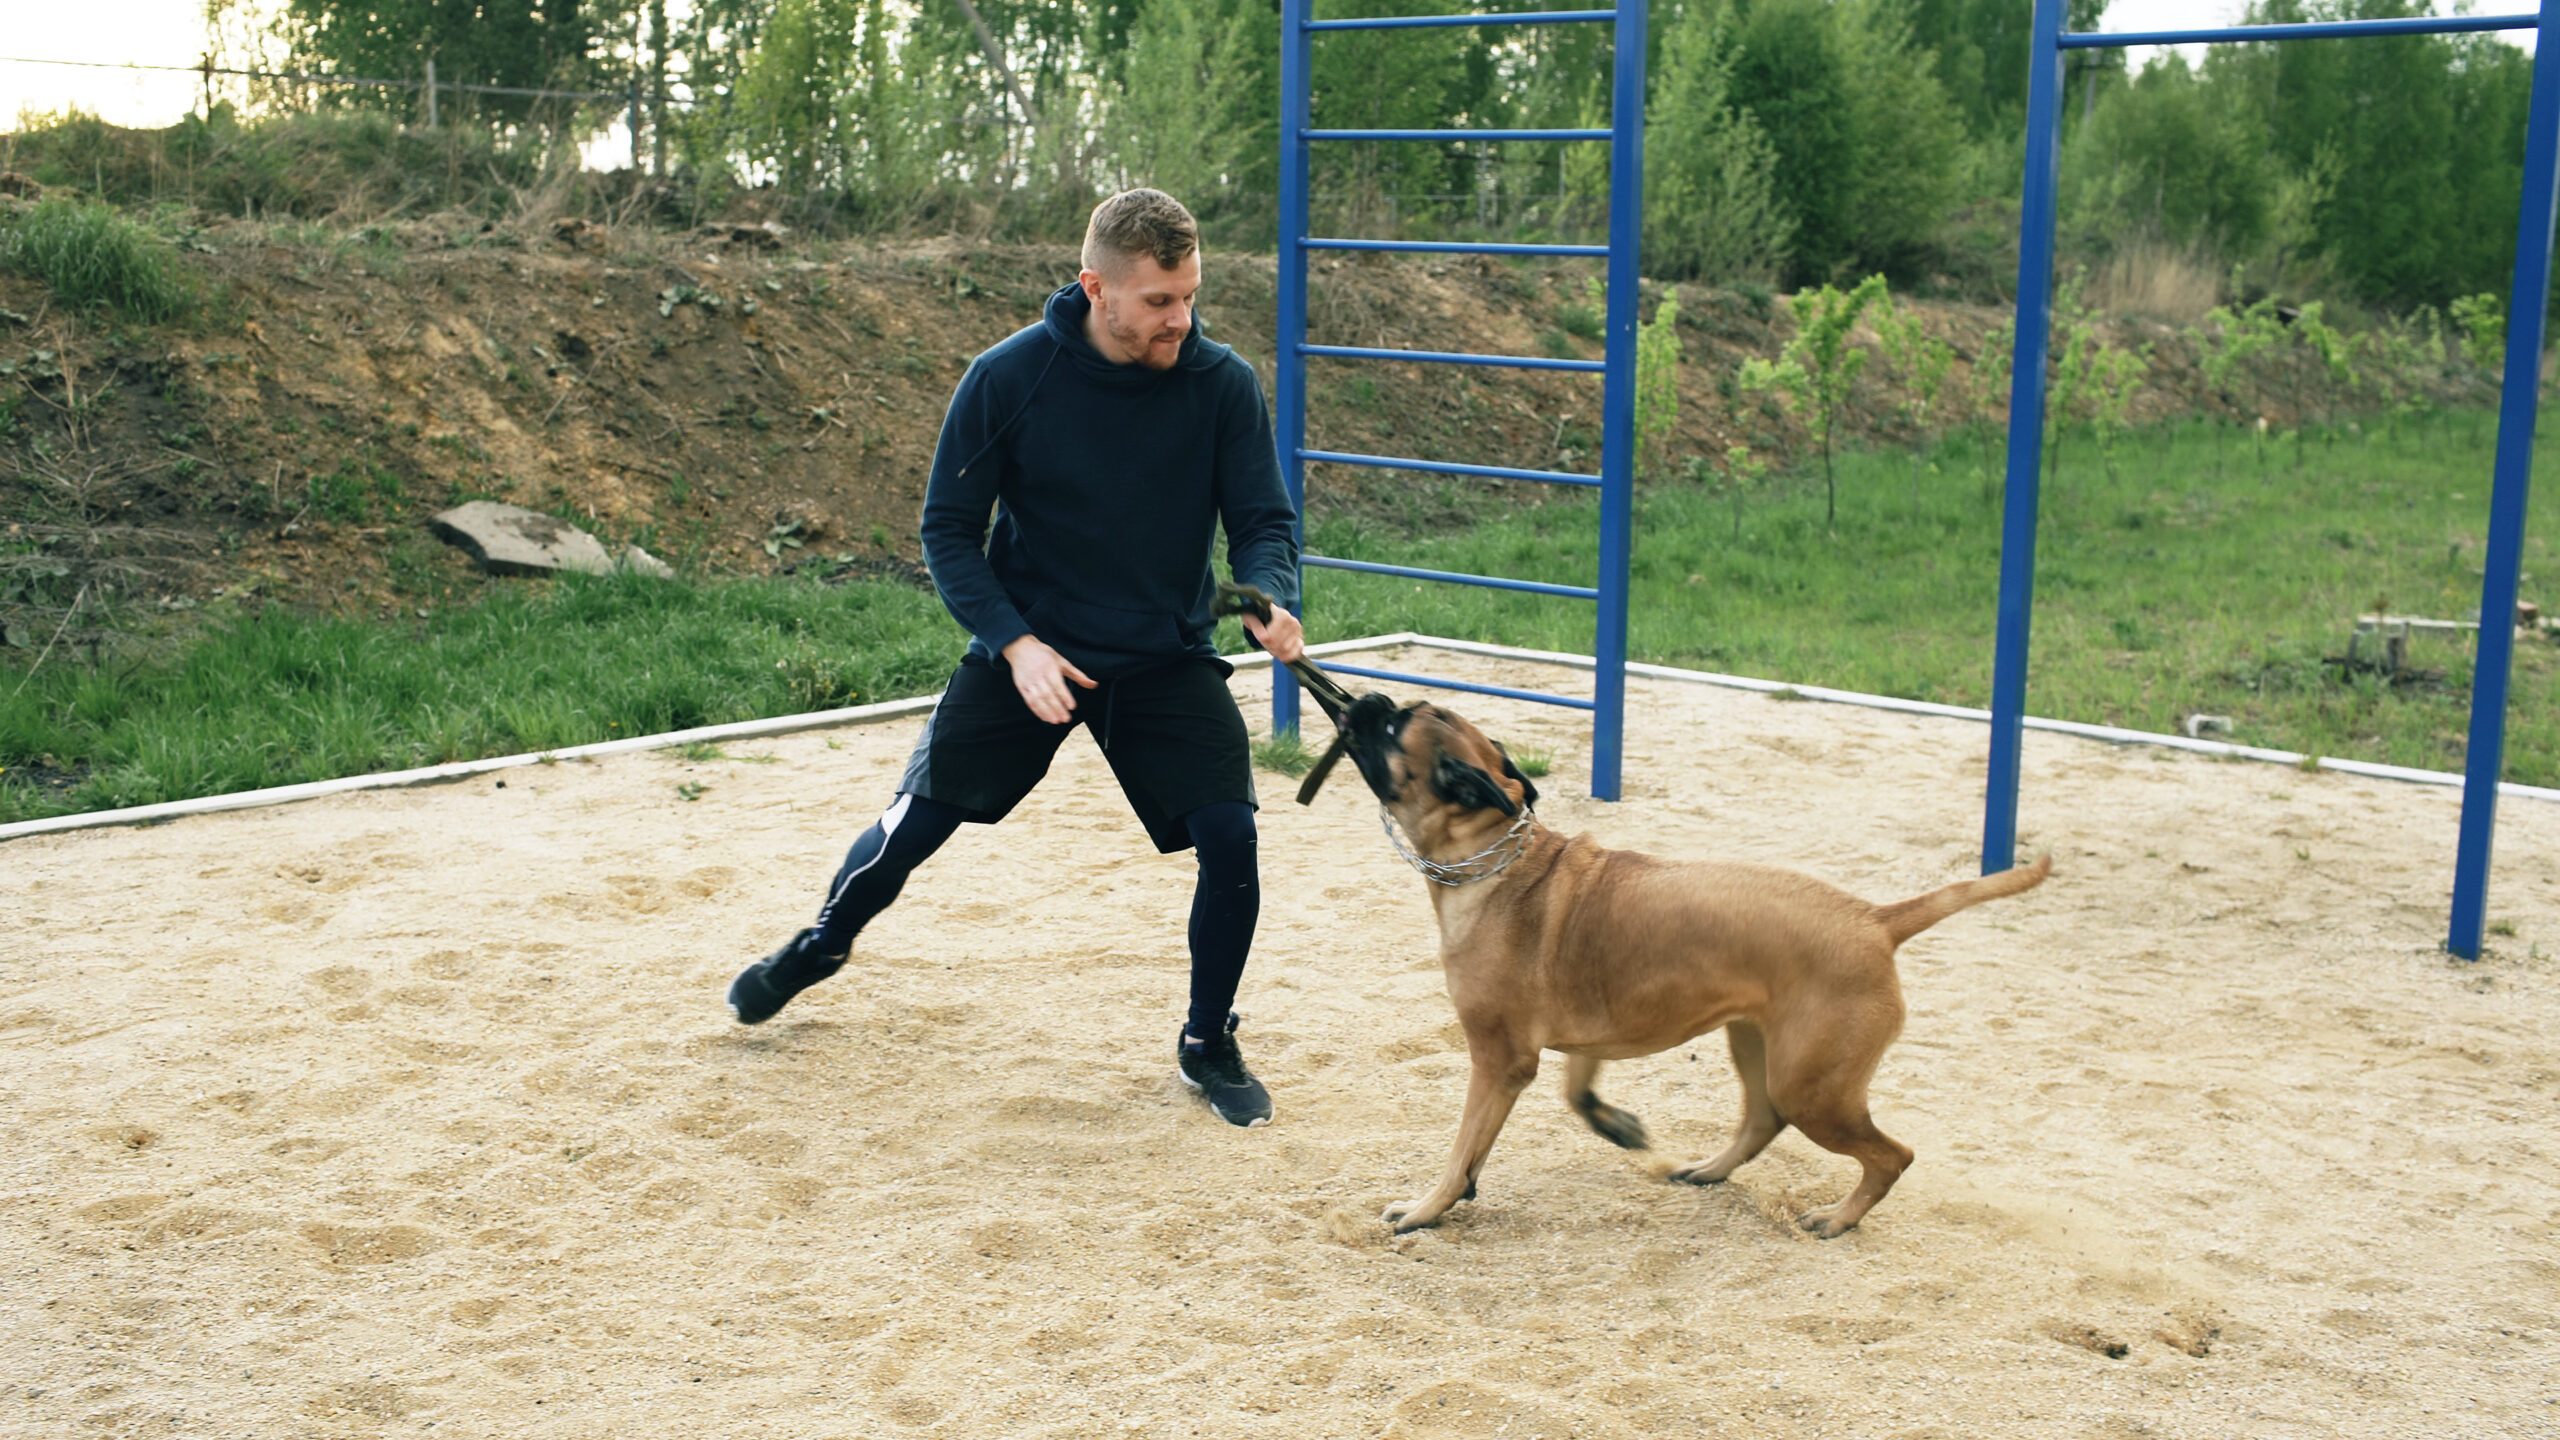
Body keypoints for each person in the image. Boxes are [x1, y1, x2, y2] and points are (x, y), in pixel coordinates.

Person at [727, 188, 1306, 1128]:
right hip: (1032, 643)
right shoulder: (1010, 377)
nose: (1181, 319)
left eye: (1190, 296)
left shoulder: (1220, 382)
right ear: (1096, 288)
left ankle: (1207, 1041)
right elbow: (948, 531)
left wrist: (1269, 592)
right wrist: (1016, 643)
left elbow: (1262, 521)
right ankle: (825, 942)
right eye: (1159, 300)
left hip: (1161, 653)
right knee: (916, 824)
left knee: (1232, 836)